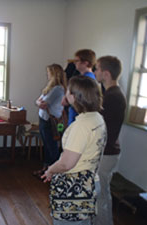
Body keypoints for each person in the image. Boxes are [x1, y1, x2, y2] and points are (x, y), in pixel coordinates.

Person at [42, 76, 107, 225]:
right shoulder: (97, 118)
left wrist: (50, 170)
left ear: (75, 96)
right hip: (90, 182)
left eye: (68, 91)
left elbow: (66, 164)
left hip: (73, 188)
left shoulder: (81, 126)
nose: (66, 93)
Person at [94, 56, 126, 225]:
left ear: (106, 73)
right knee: (102, 194)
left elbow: (101, 128)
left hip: (107, 152)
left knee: (101, 196)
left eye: (97, 69)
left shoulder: (112, 96)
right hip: (108, 151)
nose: (95, 72)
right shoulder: (111, 94)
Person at [33, 64, 67, 178]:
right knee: (46, 146)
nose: (47, 74)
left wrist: (39, 102)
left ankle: (55, 173)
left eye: (49, 72)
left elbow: (42, 104)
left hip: (50, 122)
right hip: (44, 120)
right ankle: (46, 170)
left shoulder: (58, 89)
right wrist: (39, 102)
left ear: (54, 74)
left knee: (51, 147)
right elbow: (38, 101)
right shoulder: (50, 87)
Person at [63, 49, 96, 125]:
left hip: (79, 120)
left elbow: (81, 102)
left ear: (85, 63)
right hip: (74, 118)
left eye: (77, 60)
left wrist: (67, 99)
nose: (74, 63)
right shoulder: (81, 77)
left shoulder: (87, 80)